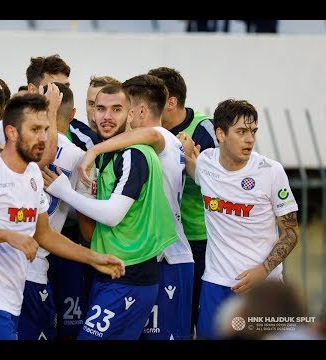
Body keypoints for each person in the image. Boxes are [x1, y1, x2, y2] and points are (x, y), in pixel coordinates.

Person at [0, 93, 125, 340]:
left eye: (46, 129)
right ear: (11, 132)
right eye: (35, 129)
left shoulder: (32, 174)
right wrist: (8, 236)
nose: (43, 138)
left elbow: (44, 234)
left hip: (11, 300)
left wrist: (93, 258)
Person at [42, 84, 178, 340]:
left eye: (116, 109)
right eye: (100, 109)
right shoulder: (106, 155)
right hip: (111, 271)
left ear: (131, 114)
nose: (107, 116)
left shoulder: (133, 154)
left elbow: (112, 214)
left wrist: (65, 192)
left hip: (131, 274)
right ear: (91, 113)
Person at [77, 74, 194, 340]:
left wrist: (93, 151)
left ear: (137, 110)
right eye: (102, 108)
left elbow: (152, 133)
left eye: (122, 108)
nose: (113, 116)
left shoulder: (155, 139)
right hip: (152, 254)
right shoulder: (161, 144)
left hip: (166, 256)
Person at [182, 98, 299, 339]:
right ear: (220, 134)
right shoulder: (206, 162)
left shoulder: (271, 171)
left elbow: (291, 232)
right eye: (241, 132)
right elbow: (197, 174)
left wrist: (263, 271)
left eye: (253, 131)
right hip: (215, 284)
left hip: (262, 287)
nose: (250, 139)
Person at [25, 54, 100, 339]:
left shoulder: (9, 136)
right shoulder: (80, 154)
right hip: (37, 255)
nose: (58, 93)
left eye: (63, 87)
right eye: (52, 89)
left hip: (52, 249)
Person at [148, 66, 217, 337]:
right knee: (173, 324)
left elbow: (221, 185)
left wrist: (190, 163)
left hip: (201, 240)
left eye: (153, 99)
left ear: (171, 102)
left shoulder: (204, 129)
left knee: (201, 318)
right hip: (163, 242)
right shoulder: (148, 131)